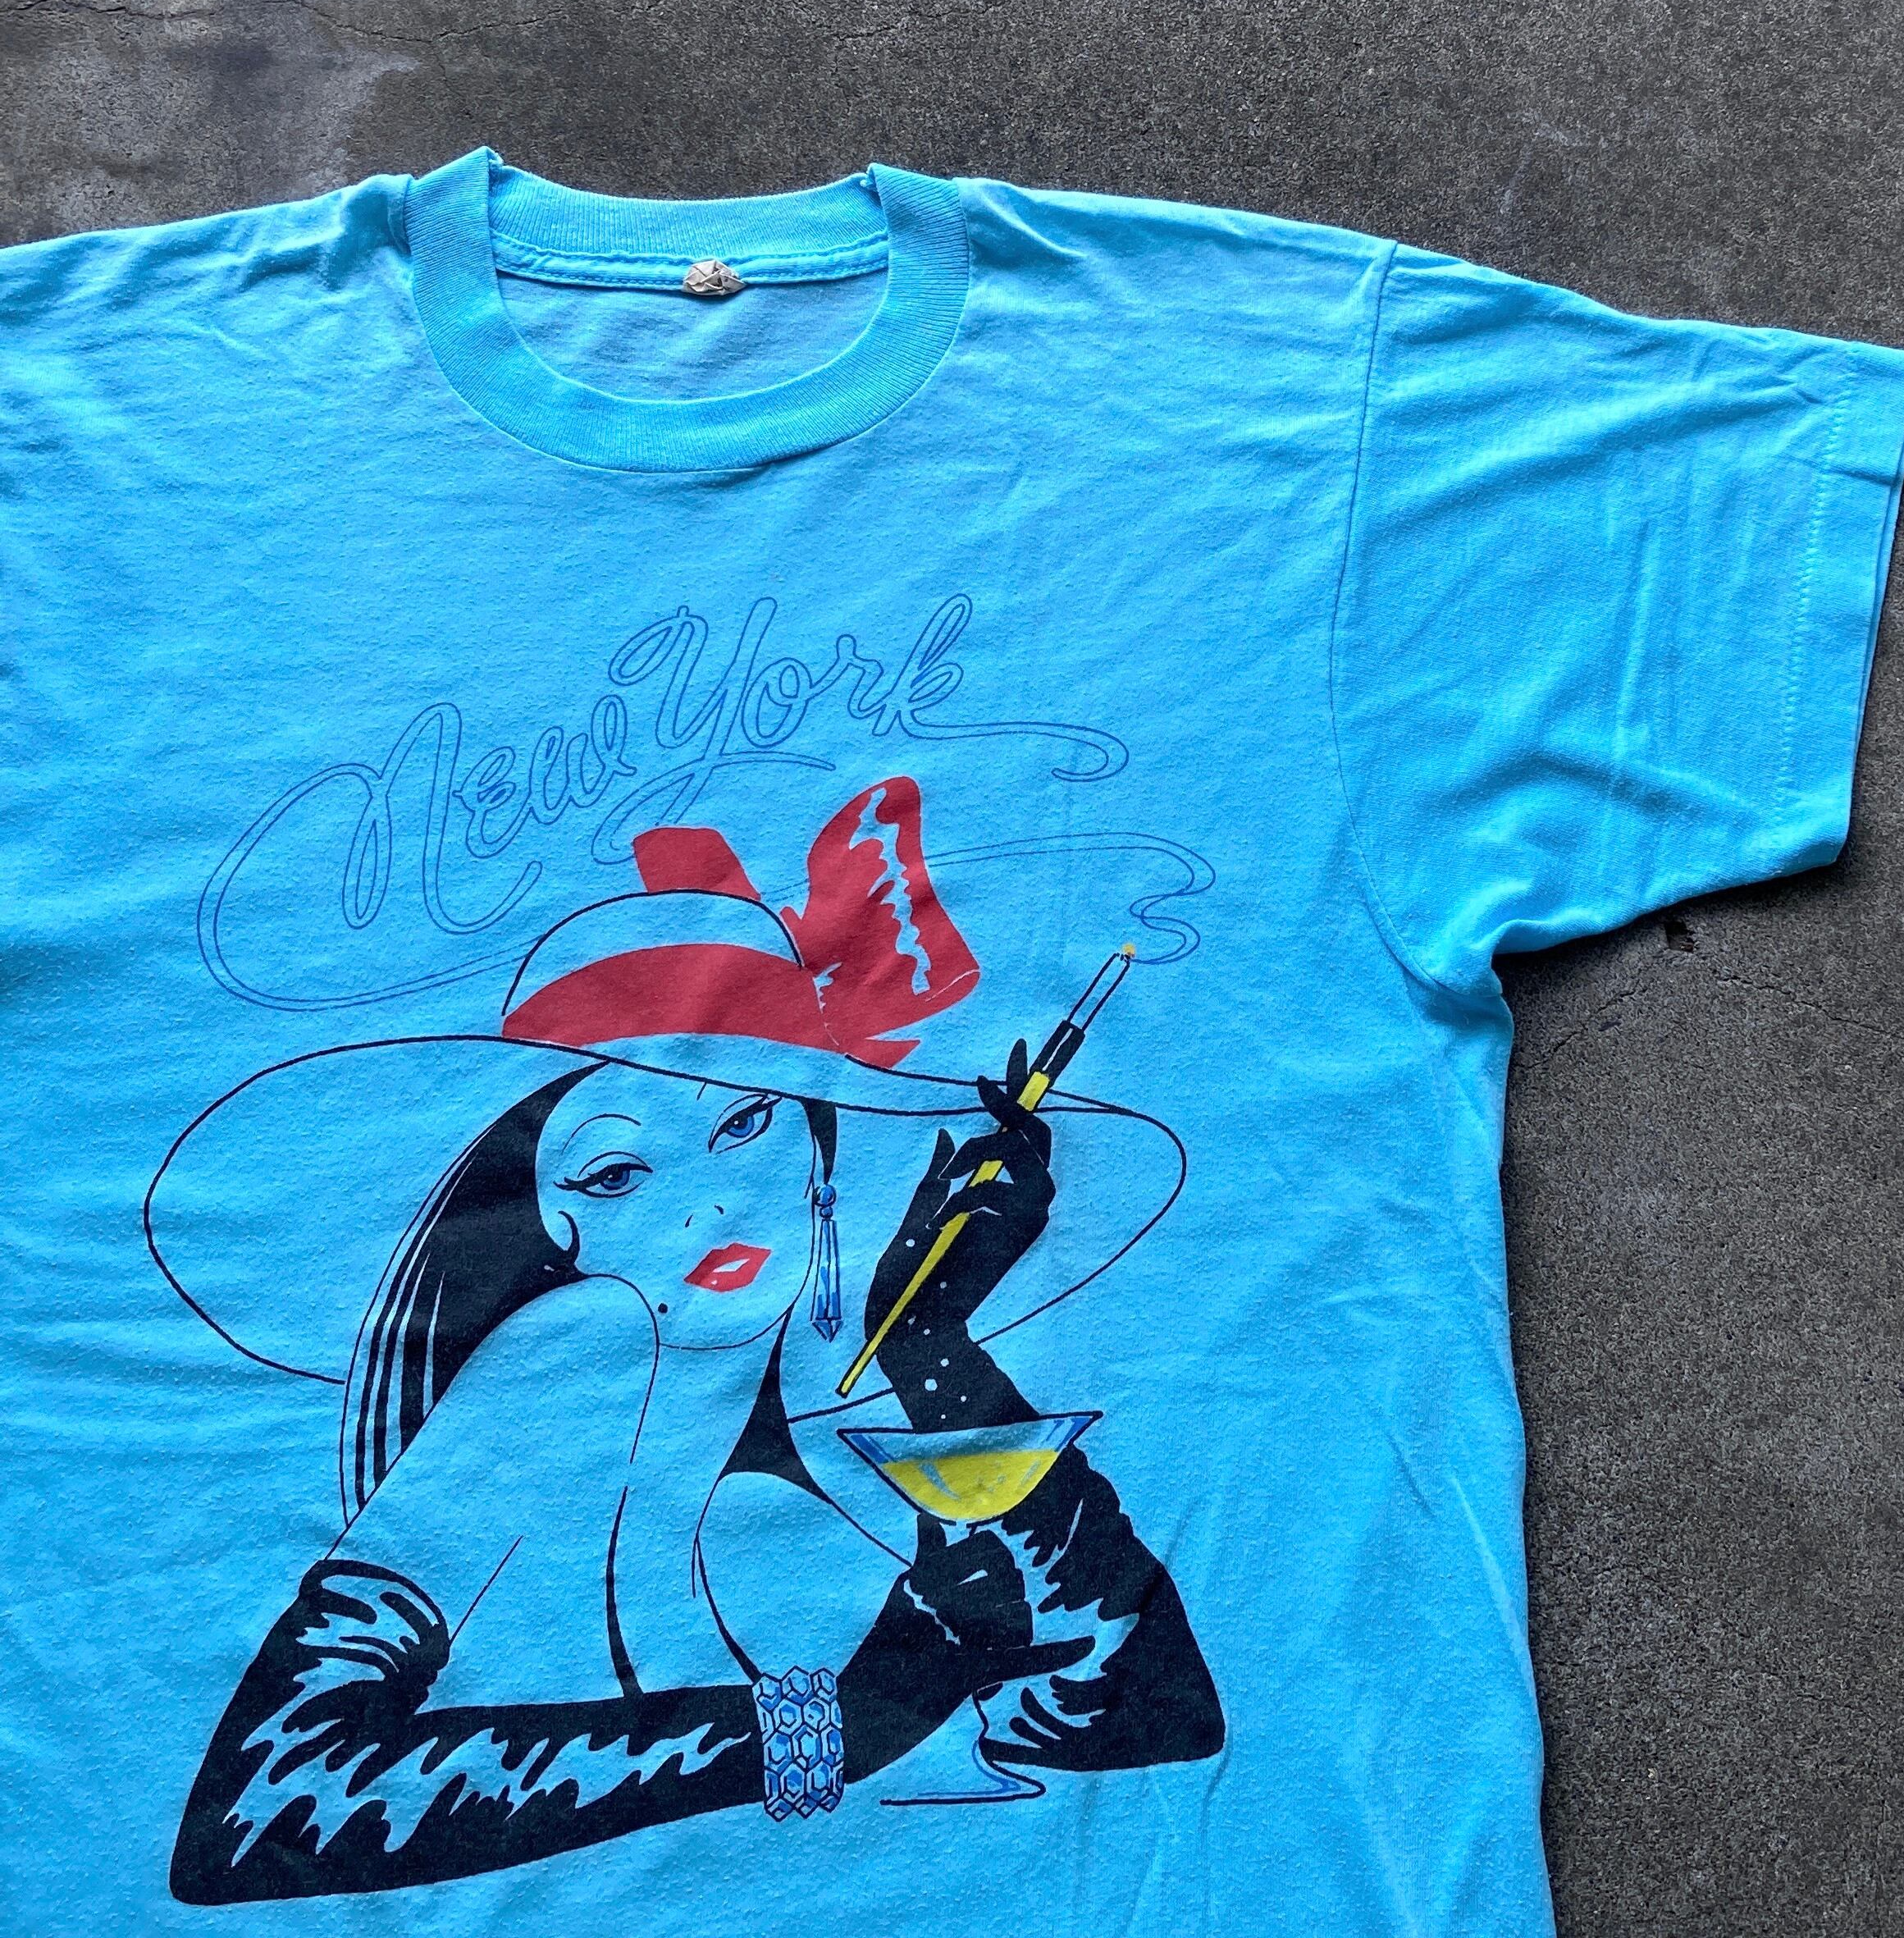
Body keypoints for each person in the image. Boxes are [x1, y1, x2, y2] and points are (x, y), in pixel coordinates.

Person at [158, 805, 1222, 1904]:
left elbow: (1150, 1718)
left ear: (819, 1144)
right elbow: (263, 1806)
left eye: (747, 1124)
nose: (713, 1209)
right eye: (618, 1173)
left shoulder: (831, 1415)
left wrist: (928, 1340)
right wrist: (811, 1733)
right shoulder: (580, 1347)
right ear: (550, 1218)